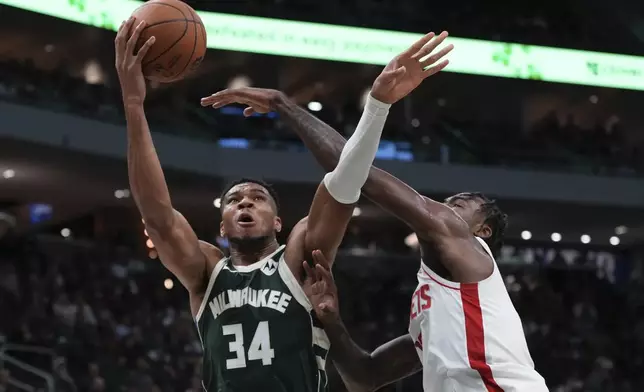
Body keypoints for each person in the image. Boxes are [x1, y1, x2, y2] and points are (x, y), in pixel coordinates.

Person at [115, 16, 449, 392]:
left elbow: (343, 182)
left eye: (258, 199)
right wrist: (133, 103)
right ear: (222, 225)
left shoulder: (298, 257)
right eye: (234, 200)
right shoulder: (206, 271)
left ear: (278, 222)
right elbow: (157, 216)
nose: (245, 203)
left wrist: (377, 106)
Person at [200, 35, 548, 392]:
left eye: (461, 205)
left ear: (483, 232)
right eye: (447, 203)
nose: (446, 208)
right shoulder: (442, 306)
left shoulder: (462, 245)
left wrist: (284, 104)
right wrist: (330, 320)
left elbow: (352, 172)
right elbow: (364, 377)